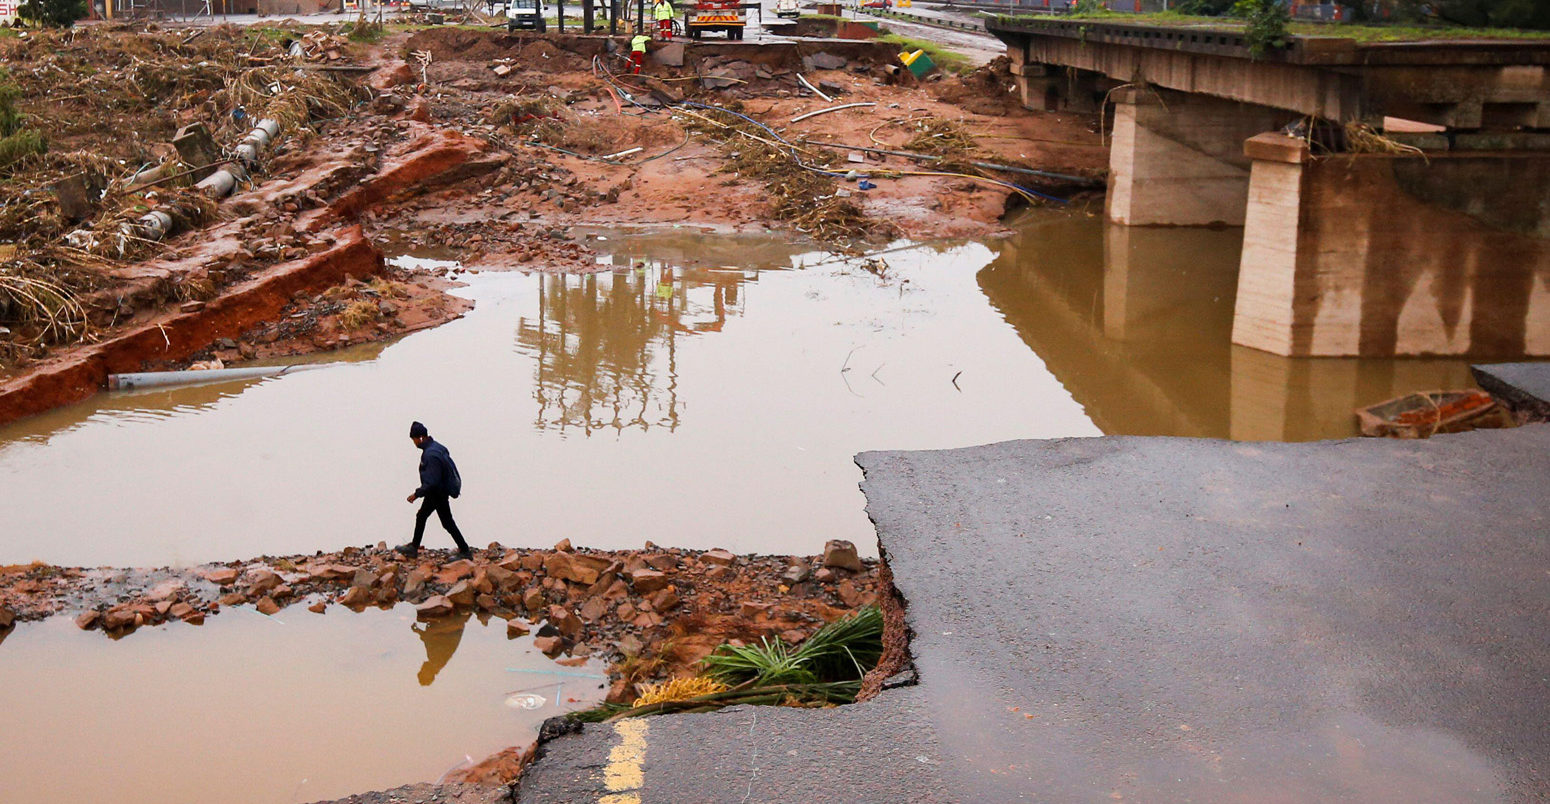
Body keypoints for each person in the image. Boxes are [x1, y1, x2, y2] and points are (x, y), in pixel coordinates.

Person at [397, 421, 471, 560]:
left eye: (413, 440)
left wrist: (416, 494)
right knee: (422, 516)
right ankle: (414, 547)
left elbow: (432, 481)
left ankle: (465, 551)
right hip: (438, 491)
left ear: (419, 438)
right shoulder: (438, 447)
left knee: (446, 522)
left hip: (437, 492)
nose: (414, 443)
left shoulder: (430, 455)